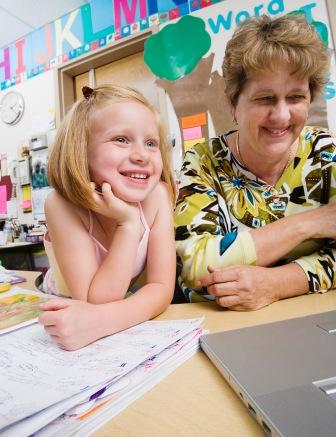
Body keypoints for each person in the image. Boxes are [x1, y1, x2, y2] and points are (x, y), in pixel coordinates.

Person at [174, 14, 336, 309]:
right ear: (233, 104)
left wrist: (277, 284)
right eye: (265, 99)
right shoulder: (202, 162)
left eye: (296, 97)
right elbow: (196, 268)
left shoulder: (328, 153)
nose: (282, 116)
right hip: (225, 328)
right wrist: (310, 223)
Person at [38, 84, 176, 350]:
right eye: (121, 140)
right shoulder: (61, 205)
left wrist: (129, 222)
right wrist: (128, 225)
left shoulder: (159, 196)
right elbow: (94, 301)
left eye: (151, 143)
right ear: (81, 151)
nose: (141, 155)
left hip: (106, 317)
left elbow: (161, 287)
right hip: (66, 307)